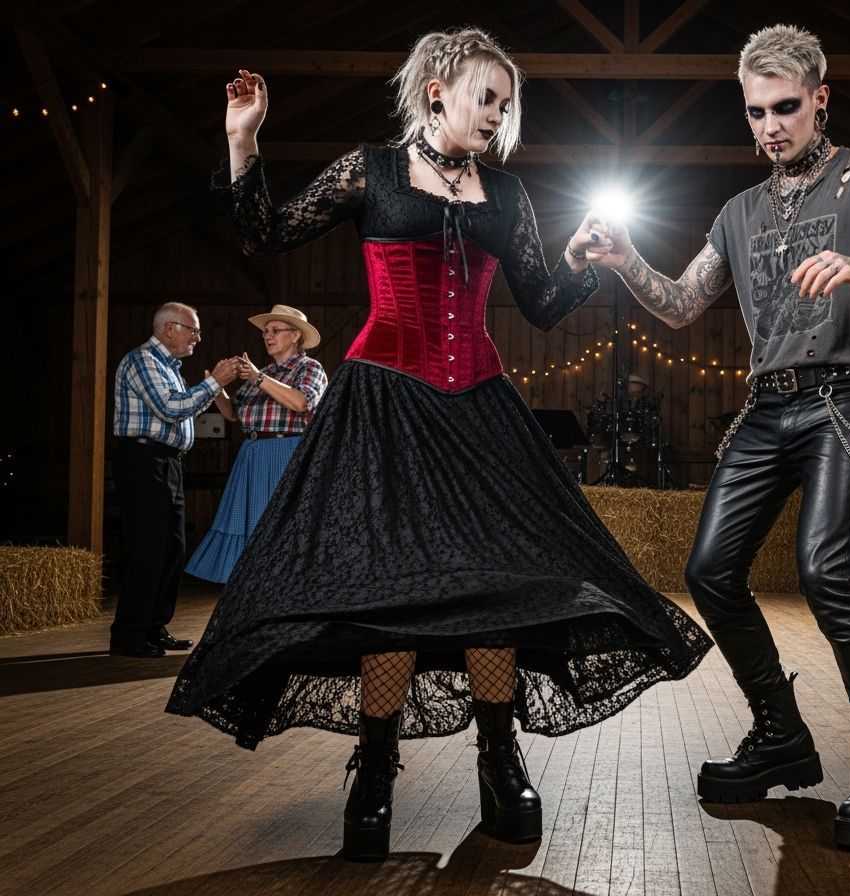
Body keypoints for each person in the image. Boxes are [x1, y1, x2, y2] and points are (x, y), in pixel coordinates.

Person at [164, 28, 711, 862]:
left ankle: (499, 756)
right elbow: (265, 232)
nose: (495, 115)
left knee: (495, 580)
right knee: (393, 589)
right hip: (385, 403)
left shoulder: (507, 195)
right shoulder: (372, 171)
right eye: (483, 97)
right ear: (435, 92)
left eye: (504, 103)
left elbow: (542, 304)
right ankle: (376, 766)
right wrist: (244, 140)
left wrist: (579, 259)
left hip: (479, 407)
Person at [588, 24, 850, 852]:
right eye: (756, 112)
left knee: (827, 571)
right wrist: (625, 259)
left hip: (846, 398)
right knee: (709, 571)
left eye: (786, 107)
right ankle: (780, 733)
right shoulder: (739, 212)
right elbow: (682, 303)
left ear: (820, 99)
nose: (770, 126)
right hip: (765, 405)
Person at [111, 303, 241, 658]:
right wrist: (214, 382)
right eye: (193, 329)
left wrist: (212, 389)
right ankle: (128, 634)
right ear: (170, 329)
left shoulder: (169, 368)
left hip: (167, 462)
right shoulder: (142, 361)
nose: (198, 336)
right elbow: (170, 409)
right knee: (148, 548)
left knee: (172, 549)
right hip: (143, 459)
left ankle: (153, 627)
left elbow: (184, 406)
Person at [185, 304, 328, 583]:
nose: (267, 336)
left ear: (295, 335)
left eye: (275, 330)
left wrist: (258, 378)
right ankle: (250, 586)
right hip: (252, 455)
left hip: (285, 454)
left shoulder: (309, 368)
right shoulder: (261, 372)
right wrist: (217, 387)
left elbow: (301, 402)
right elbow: (232, 414)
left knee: (279, 524)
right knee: (248, 522)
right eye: (265, 331)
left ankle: (282, 587)